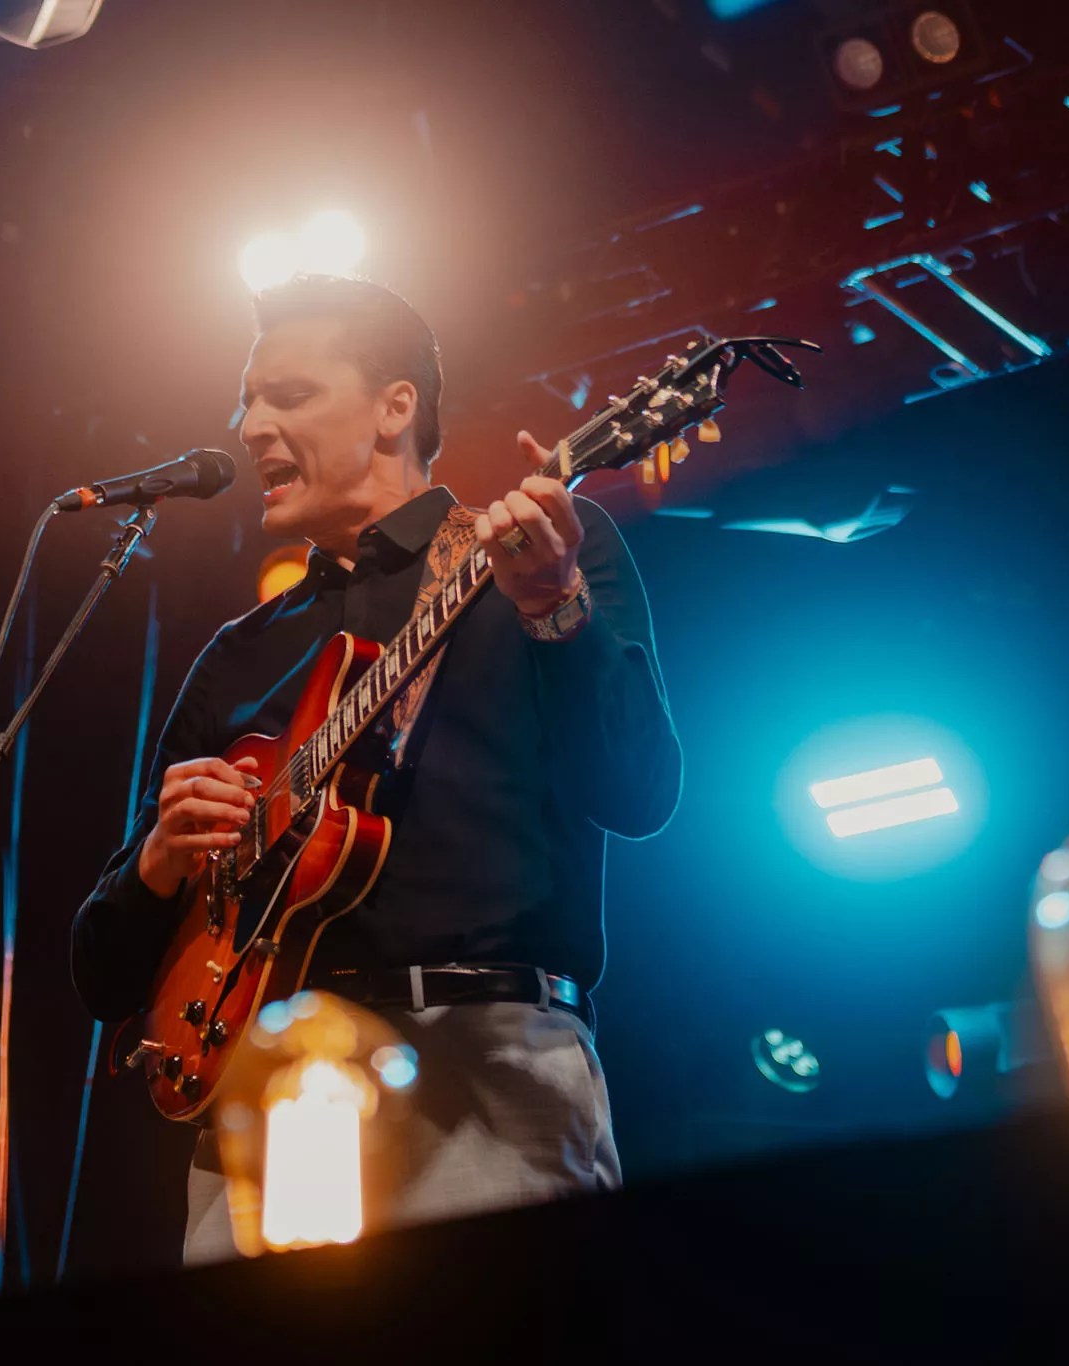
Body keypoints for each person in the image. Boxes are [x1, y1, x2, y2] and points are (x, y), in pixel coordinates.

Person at [70, 274, 681, 1263]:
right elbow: (102, 974)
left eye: (289, 395)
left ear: (395, 406)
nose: (250, 426)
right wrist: (161, 861)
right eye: (245, 402)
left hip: (488, 1072)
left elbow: (640, 791)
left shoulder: (540, 556)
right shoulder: (238, 653)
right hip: (266, 1095)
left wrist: (554, 606)